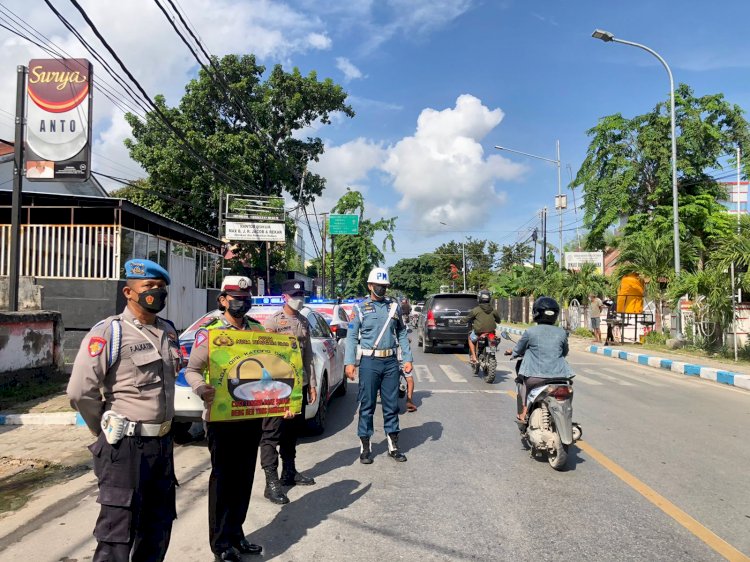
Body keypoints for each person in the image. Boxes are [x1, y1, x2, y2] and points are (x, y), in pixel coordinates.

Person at [67, 259, 179, 562]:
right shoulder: (109, 332)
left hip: (162, 445)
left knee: (157, 526)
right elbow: (80, 391)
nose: (157, 293)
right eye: (149, 287)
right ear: (129, 292)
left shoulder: (168, 332)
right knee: (118, 532)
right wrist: (102, 426)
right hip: (125, 446)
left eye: (161, 288)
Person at [184, 276, 265, 561]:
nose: (242, 301)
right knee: (224, 479)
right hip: (221, 418)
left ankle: (237, 535)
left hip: (251, 415)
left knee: (244, 477)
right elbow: (192, 369)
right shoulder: (211, 333)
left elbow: (271, 368)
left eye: (246, 295)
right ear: (222, 300)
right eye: (235, 296)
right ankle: (220, 544)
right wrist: (199, 388)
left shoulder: (257, 330)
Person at [345, 267, 413, 464]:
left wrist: (407, 358)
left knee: (391, 405)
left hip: (391, 362)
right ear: (370, 286)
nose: (382, 289)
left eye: (384, 286)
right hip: (369, 362)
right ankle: (365, 446)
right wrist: (350, 363)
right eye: (378, 286)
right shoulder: (359, 308)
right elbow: (351, 337)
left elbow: (401, 333)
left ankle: (393, 445)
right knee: (367, 405)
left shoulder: (394, 307)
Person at [259, 280, 317, 505]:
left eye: (301, 293)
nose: (299, 298)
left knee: (292, 431)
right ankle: (271, 482)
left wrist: (310, 384)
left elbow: (308, 355)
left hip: (298, 385)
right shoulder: (273, 322)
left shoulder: (303, 321)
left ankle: (289, 471)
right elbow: (265, 356)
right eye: (294, 294)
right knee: (271, 433)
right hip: (276, 386)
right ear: (284, 296)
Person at [506, 296, 573, 423]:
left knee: (523, 384)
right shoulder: (562, 332)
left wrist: (513, 353)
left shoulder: (530, 331)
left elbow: (519, 349)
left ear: (536, 312)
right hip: (561, 376)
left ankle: (524, 412)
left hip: (535, 377)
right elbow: (565, 352)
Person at [467, 290, 501, 364]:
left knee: (470, 338)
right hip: (491, 333)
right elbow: (498, 320)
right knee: (494, 340)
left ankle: (474, 357)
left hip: (479, 333)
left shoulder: (475, 310)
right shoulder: (493, 310)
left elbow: (467, 318)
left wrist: (461, 321)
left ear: (479, 299)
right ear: (489, 299)